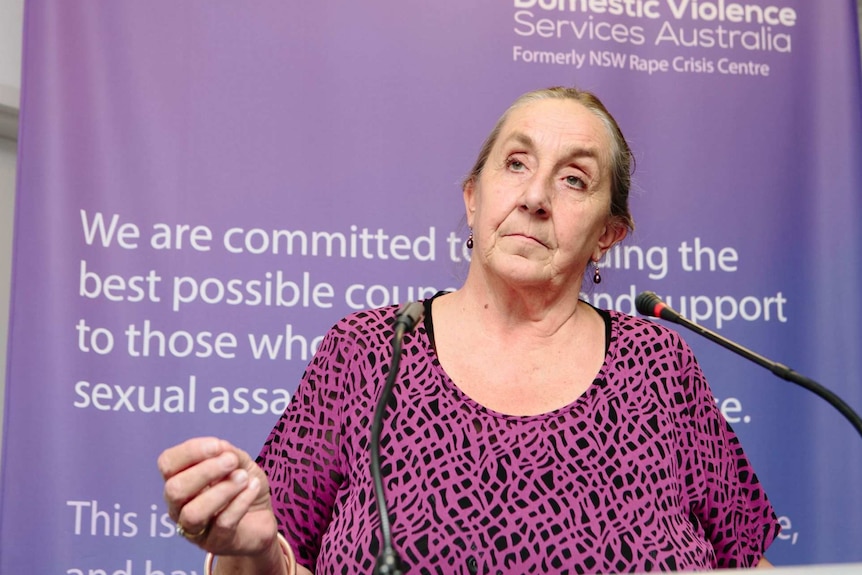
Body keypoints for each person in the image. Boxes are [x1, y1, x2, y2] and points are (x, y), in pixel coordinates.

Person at [158, 87, 780, 574]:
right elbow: (271, 554)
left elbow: (749, 562)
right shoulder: (369, 352)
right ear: (473, 199)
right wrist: (252, 554)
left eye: (574, 179)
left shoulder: (659, 366)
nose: (536, 195)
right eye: (515, 163)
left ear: (607, 236)